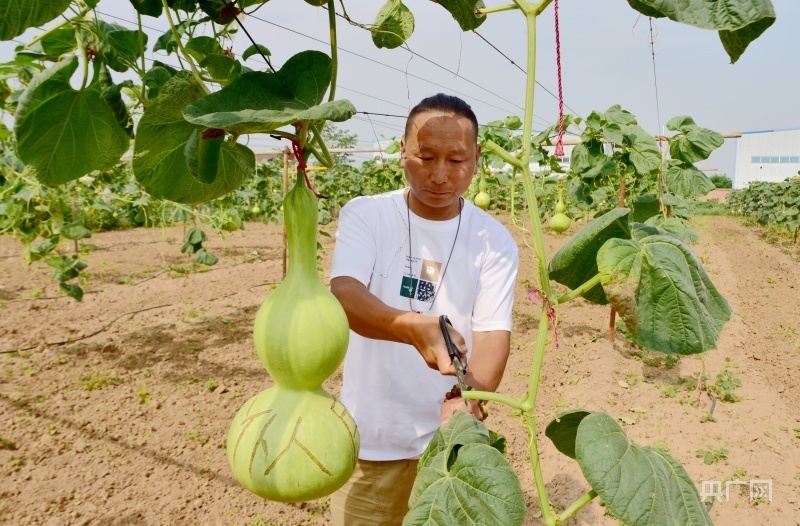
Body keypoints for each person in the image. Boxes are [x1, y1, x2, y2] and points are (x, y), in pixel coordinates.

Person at [328, 93, 519, 525]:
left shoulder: (493, 240)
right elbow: (345, 295)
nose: (439, 175)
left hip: (448, 447)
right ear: (402, 151)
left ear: (477, 158)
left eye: (456, 160)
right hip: (370, 444)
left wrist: (469, 393)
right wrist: (415, 327)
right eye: (425, 156)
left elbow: (492, 333)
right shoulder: (367, 216)